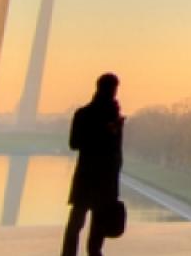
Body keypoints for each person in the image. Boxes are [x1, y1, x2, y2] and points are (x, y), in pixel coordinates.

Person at [62, 73, 124, 256]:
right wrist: (105, 130)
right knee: (78, 222)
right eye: (112, 89)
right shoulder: (85, 114)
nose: (114, 93)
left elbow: (115, 151)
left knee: (94, 225)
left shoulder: (109, 115)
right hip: (92, 177)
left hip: (99, 178)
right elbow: (75, 143)